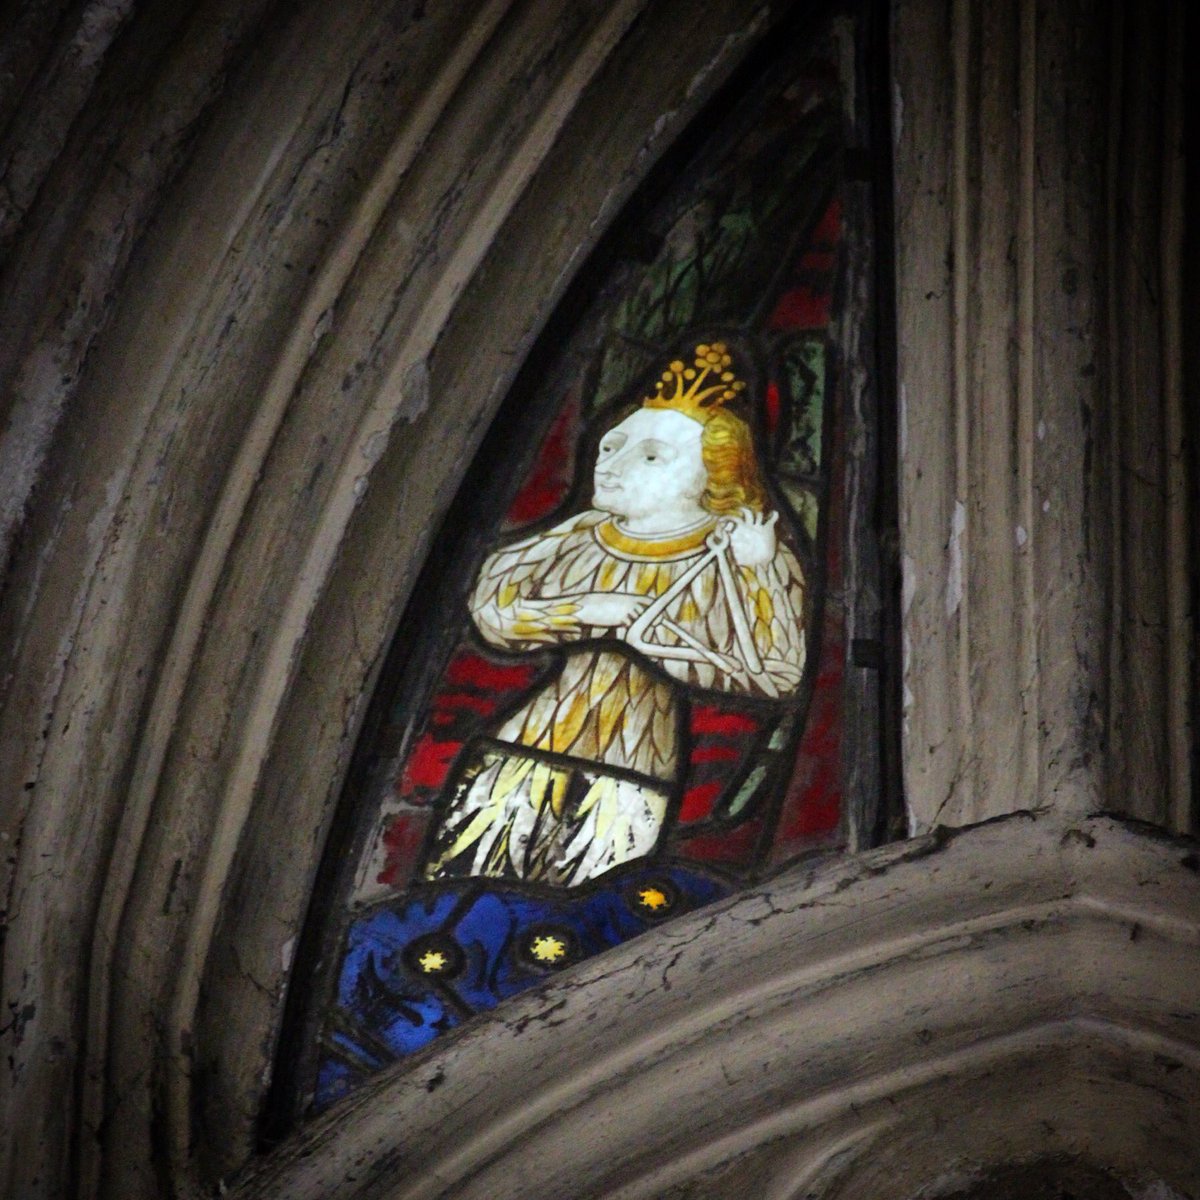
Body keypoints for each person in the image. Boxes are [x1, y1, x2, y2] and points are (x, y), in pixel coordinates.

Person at [422, 342, 807, 887]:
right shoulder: (580, 537)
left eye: (650, 456)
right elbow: (493, 611)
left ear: (714, 477)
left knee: (597, 910)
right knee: (465, 888)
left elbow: (779, 673)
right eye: (611, 447)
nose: (611, 466)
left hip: (635, 770)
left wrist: (758, 573)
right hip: (524, 746)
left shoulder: (735, 555)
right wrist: (588, 611)